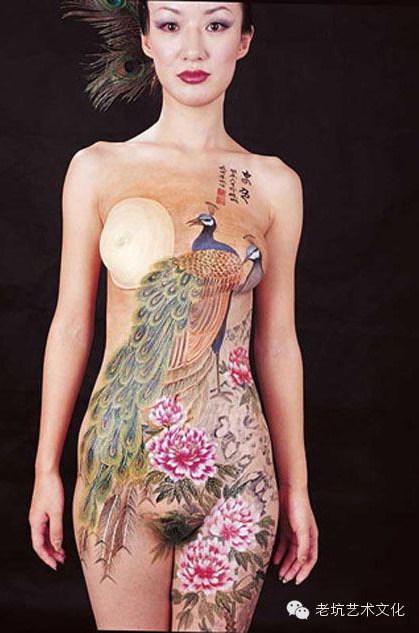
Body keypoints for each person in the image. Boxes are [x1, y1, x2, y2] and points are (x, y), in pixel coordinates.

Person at [28, 1, 319, 631]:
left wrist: (297, 486)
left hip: (237, 469)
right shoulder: (97, 169)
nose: (193, 48)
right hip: (120, 464)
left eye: (216, 24)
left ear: (244, 40)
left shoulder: (275, 184)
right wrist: (45, 468)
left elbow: (277, 343)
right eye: (170, 24)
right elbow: (72, 324)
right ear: (145, 39)